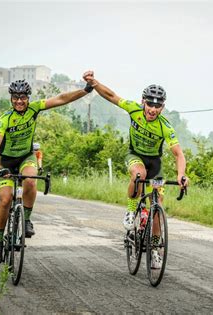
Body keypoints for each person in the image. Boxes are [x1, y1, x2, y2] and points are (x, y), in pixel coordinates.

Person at [83, 70, 188, 269]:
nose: (153, 109)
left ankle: (156, 249)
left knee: (157, 206)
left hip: (155, 164)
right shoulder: (133, 109)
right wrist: (94, 83)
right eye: (150, 103)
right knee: (139, 175)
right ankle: (131, 211)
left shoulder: (165, 126)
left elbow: (178, 154)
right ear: (143, 102)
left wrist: (181, 174)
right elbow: (112, 96)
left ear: (162, 107)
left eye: (157, 105)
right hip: (135, 156)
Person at [0, 79, 93, 264]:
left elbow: (61, 98)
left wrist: (85, 90)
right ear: (11, 99)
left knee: (30, 180)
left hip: (26, 157)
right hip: (6, 161)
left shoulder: (34, 109)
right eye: (15, 97)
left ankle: (27, 219)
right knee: (5, 200)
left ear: (28, 98)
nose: (19, 101)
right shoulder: (5, 119)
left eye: (22, 97)